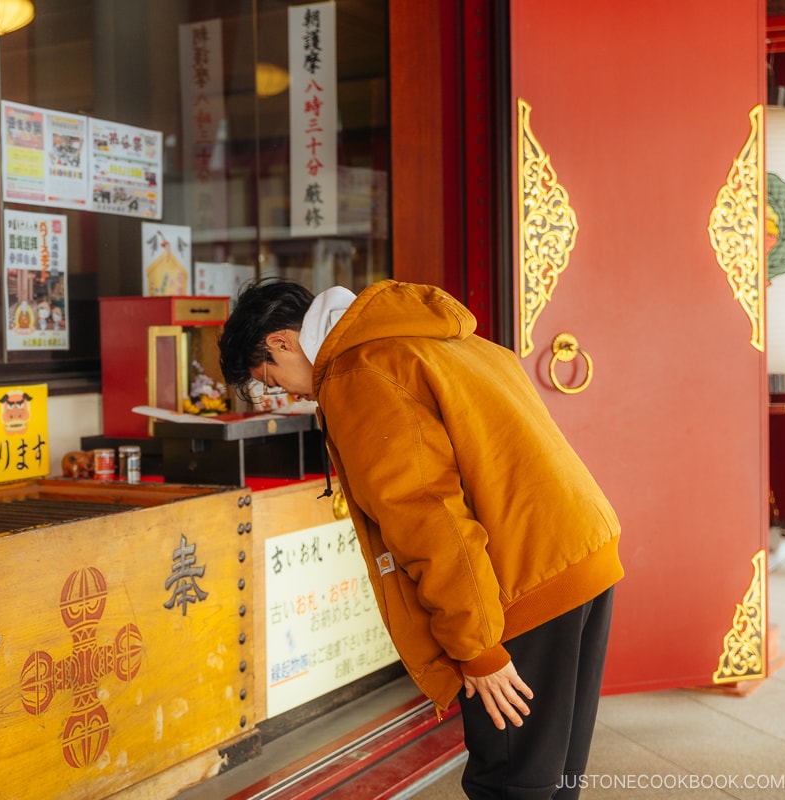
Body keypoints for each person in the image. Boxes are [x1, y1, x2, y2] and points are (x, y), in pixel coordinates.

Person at [218, 278, 623, 799]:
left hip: (522, 581)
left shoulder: (358, 372)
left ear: (280, 341)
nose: (288, 393)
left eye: (271, 379)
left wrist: (476, 648)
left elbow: (429, 519)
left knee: (511, 780)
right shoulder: (431, 336)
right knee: (555, 772)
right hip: (578, 551)